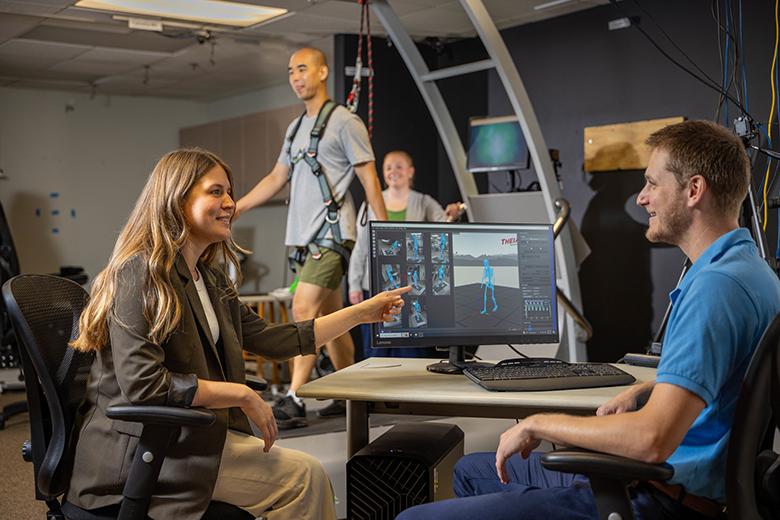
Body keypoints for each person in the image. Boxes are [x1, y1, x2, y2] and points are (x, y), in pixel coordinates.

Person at [396, 120, 780, 519]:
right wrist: (642, 393)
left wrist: (539, 424)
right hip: (679, 483)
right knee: (473, 469)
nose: (642, 198)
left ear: (694, 190)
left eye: (652, 183)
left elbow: (652, 439)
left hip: (660, 499)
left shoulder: (714, 289)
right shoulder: (751, 271)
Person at [65, 149, 408, 520]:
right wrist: (240, 394)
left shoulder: (209, 278)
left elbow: (275, 338)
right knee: (304, 478)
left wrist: (361, 313)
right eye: (215, 192)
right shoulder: (138, 274)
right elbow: (144, 385)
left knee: (307, 475)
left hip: (188, 439)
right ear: (177, 199)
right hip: (142, 455)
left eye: (229, 192)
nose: (229, 203)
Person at [234, 47, 388, 428]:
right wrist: (237, 207)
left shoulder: (346, 122)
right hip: (303, 238)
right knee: (331, 319)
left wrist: (388, 235)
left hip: (332, 235)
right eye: (290, 71)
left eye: (302, 68)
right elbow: (276, 177)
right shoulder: (295, 128)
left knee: (302, 310)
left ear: (322, 72)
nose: (296, 77)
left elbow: (369, 179)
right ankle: (349, 392)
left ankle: (295, 396)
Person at [348, 150, 461, 359]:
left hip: (411, 287)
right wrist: (354, 284)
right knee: (375, 349)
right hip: (374, 287)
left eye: (399, 166)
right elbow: (361, 246)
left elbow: (442, 226)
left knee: (410, 348)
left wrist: (454, 213)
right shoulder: (370, 203)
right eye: (388, 167)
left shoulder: (423, 202)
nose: (393, 171)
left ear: (410, 171)